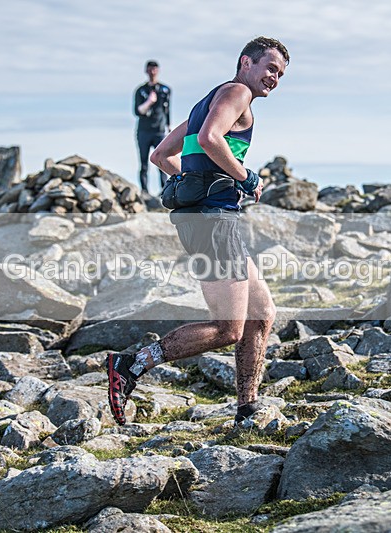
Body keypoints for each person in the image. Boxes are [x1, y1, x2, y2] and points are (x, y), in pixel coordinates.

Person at [108, 37, 290, 425]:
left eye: (280, 73)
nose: (274, 77)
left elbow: (160, 155)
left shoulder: (205, 104)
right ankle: (132, 365)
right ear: (246, 62)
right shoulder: (237, 92)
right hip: (214, 222)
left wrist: (198, 181)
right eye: (270, 68)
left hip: (206, 218)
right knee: (228, 328)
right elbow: (210, 140)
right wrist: (245, 178)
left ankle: (246, 408)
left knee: (261, 313)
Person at [134, 60, 171, 194]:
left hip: (159, 130)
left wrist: (169, 126)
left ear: (158, 70)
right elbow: (137, 111)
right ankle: (145, 191)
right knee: (143, 163)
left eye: (154, 69)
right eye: (150, 69)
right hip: (144, 130)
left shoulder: (165, 90)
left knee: (162, 160)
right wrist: (149, 101)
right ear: (146, 71)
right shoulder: (140, 91)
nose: (152, 72)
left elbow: (167, 110)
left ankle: (165, 190)